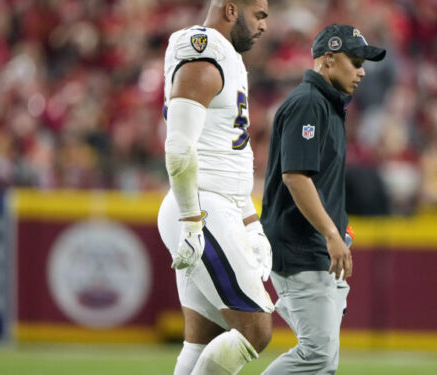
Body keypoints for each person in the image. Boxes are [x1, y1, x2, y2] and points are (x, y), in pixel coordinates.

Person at [260, 24, 386, 374]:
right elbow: (295, 177)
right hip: (300, 247)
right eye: (356, 60)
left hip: (314, 246)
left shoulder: (326, 104)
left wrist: (336, 232)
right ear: (328, 59)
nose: (362, 71)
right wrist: (331, 234)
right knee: (316, 354)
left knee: (322, 361)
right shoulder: (309, 103)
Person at [156, 1, 272, 374]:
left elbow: (227, 155)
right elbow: (179, 147)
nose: (264, 26)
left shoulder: (230, 58)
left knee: (202, 338)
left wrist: (251, 223)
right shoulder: (204, 50)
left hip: (214, 204)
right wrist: (192, 220)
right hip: (201, 208)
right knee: (254, 330)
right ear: (232, 9)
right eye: (260, 15)